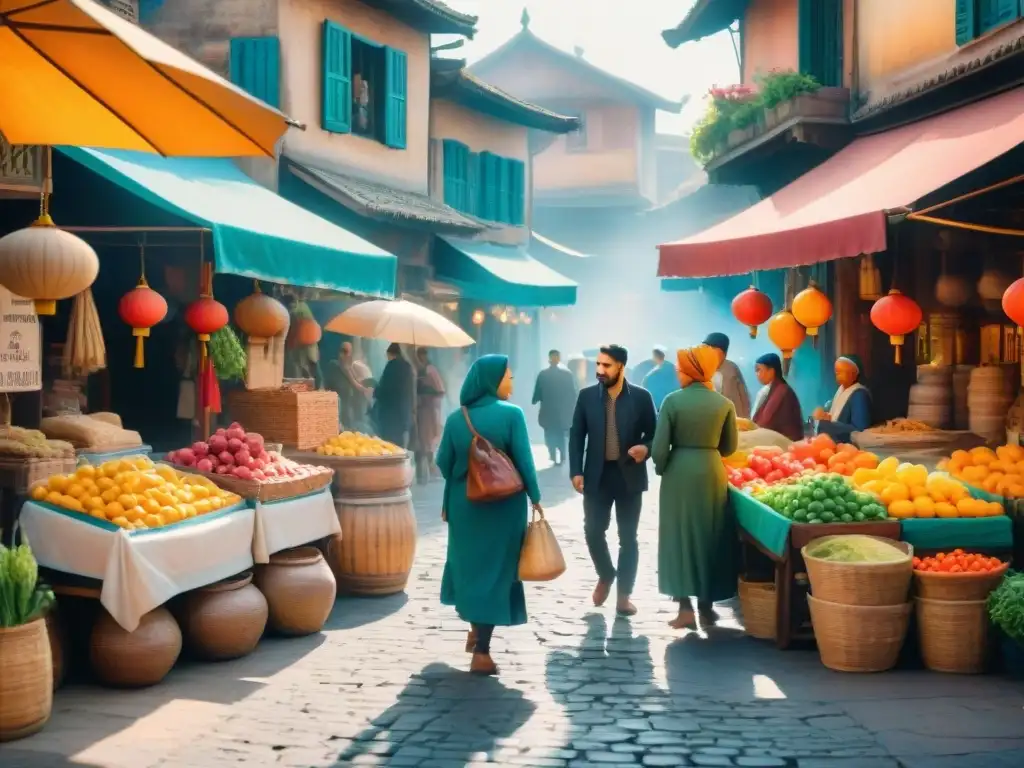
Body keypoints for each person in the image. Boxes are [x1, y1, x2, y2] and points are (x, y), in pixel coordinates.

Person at [436, 354, 542, 676]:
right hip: (504, 507)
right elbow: (524, 460)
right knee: (497, 572)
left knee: (470, 569)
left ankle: (476, 630)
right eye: (507, 377)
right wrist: (536, 498)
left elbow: (442, 462)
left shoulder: (457, 419)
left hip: (464, 505)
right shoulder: (512, 415)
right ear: (492, 382)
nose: (511, 382)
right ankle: (481, 650)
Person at [652, 344, 739, 630]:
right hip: (711, 471)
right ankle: (706, 606)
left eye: (679, 369)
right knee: (710, 533)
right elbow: (729, 447)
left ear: (689, 370)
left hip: (679, 472)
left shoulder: (672, 402)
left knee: (679, 537)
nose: (677, 373)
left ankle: (684, 607)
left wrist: (662, 467)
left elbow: (659, 448)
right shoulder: (724, 404)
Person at [569, 344, 657, 617]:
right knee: (593, 530)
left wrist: (646, 449)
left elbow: (655, 435)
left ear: (621, 366)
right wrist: (576, 471)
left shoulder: (641, 397)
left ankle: (624, 596)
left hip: (629, 475)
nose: (600, 370)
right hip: (597, 475)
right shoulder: (586, 397)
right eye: (598, 364)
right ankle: (606, 574)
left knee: (628, 537)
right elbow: (576, 436)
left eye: (606, 365)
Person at [532, 349, 578, 466]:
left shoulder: (543, 374)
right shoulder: (567, 375)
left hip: (548, 411)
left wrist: (535, 399)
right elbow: (573, 393)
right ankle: (561, 454)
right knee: (560, 433)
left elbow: (537, 392)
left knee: (549, 433)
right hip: (561, 412)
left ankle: (553, 454)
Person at [814, 354, 873, 441]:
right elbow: (832, 411)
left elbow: (859, 430)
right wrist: (824, 415)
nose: (837, 375)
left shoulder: (859, 395)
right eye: (836, 372)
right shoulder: (840, 389)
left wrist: (827, 425)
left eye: (840, 371)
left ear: (853, 374)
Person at [751, 352, 804, 442]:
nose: (757, 374)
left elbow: (766, 422)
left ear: (771, 371)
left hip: (785, 444)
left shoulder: (782, 392)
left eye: (759, 370)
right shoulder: (772, 389)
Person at [371, 343, 415, 447]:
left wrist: (375, 392)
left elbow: (384, 389)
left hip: (390, 415)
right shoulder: (408, 367)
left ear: (391, 354)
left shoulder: (391, 366)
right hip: (404, 415)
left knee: (388, 445)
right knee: (399, 446)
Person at [414, 347, 446, 483]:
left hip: (430, 409)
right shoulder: (417, 370)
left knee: (429, 438)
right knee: (422, 439)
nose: (421, 358)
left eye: (423, 355)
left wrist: (427, 392)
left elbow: (440, 390)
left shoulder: (430, 370)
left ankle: (431, 466)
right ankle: (424, 470)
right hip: (421, 410)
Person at [326, 341, 372, 432]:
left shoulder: (352, 369)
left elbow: (357, 386)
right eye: (341, 351)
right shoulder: (333, 366)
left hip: (349, 417)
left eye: (346, 352)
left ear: (351, 354)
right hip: (335, 416)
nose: (342, 354)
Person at [703, 332, 751, 419]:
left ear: (722, 352)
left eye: (711, 348)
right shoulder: (705, 369)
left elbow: (741, 399)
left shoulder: (730, 369)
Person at [641, 346, 679, 411]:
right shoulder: (679, 371)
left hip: (659, 411)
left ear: (655, 357)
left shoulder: (650, 376)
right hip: (677, 409)